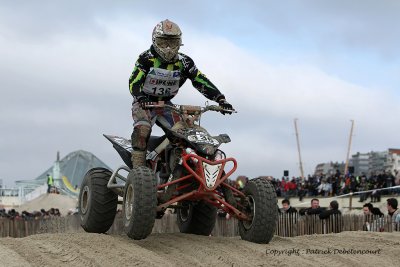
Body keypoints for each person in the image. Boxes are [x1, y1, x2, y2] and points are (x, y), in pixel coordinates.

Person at [128, 19, 234, 167]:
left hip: (167, 105)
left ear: (179, 42)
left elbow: (200, 80)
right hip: (144, 103)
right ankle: (138, 169)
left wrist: (221, 99)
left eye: (172, 43)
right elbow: (134, 81)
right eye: (163, 42)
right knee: (143, 129)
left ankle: (178, 166)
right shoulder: (146, 59)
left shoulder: (185, 62)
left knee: (185, 134)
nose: (168, 48)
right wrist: (140, 97)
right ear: (154, 41)